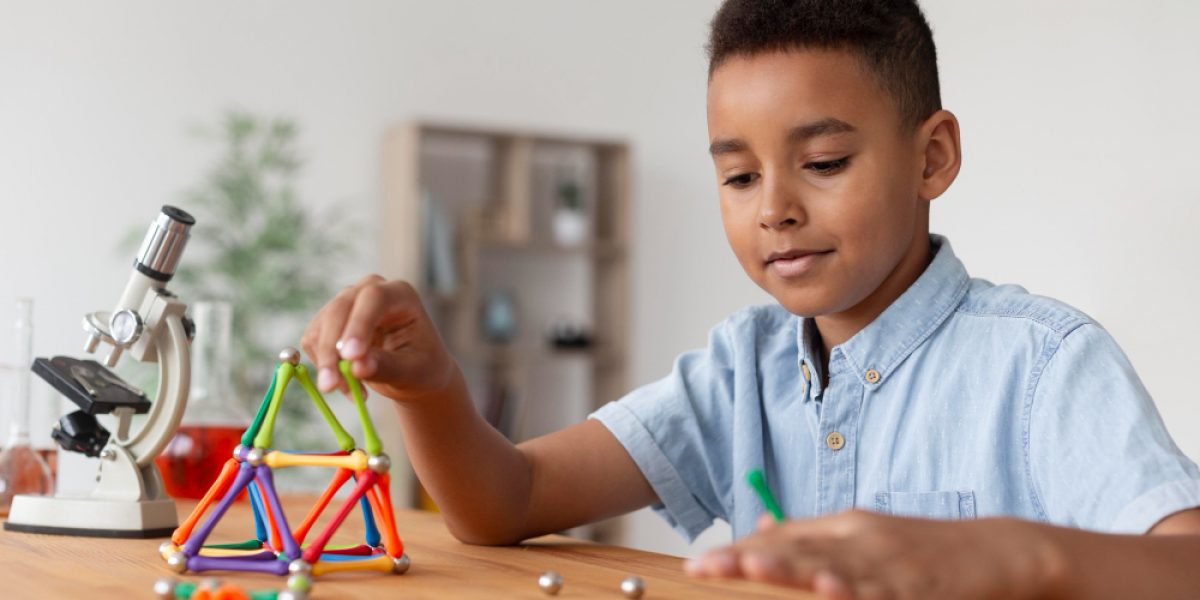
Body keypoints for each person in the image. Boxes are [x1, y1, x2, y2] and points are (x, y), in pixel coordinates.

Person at [301, 1, 1200, 597]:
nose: (774, 208)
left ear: (932, 157)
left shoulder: (1041, 364)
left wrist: (1009, 555)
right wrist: (430, 390)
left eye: (824, 164)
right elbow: (508, 499)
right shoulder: (740, 369)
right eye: (738, 176)